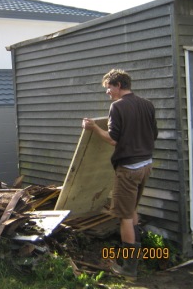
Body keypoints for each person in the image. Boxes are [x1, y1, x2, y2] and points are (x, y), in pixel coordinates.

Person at [82, 69, 157, 280]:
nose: (107, 91)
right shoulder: (147, 104)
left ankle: (129, 269)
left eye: (108, 87)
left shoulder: (117, 106)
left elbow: (113, 139)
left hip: (129, 169)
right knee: (132, 209)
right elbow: (154, 134)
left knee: (124, 217)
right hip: (146, 165)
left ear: (118, 85)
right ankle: (139, 256)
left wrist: (94, 128)